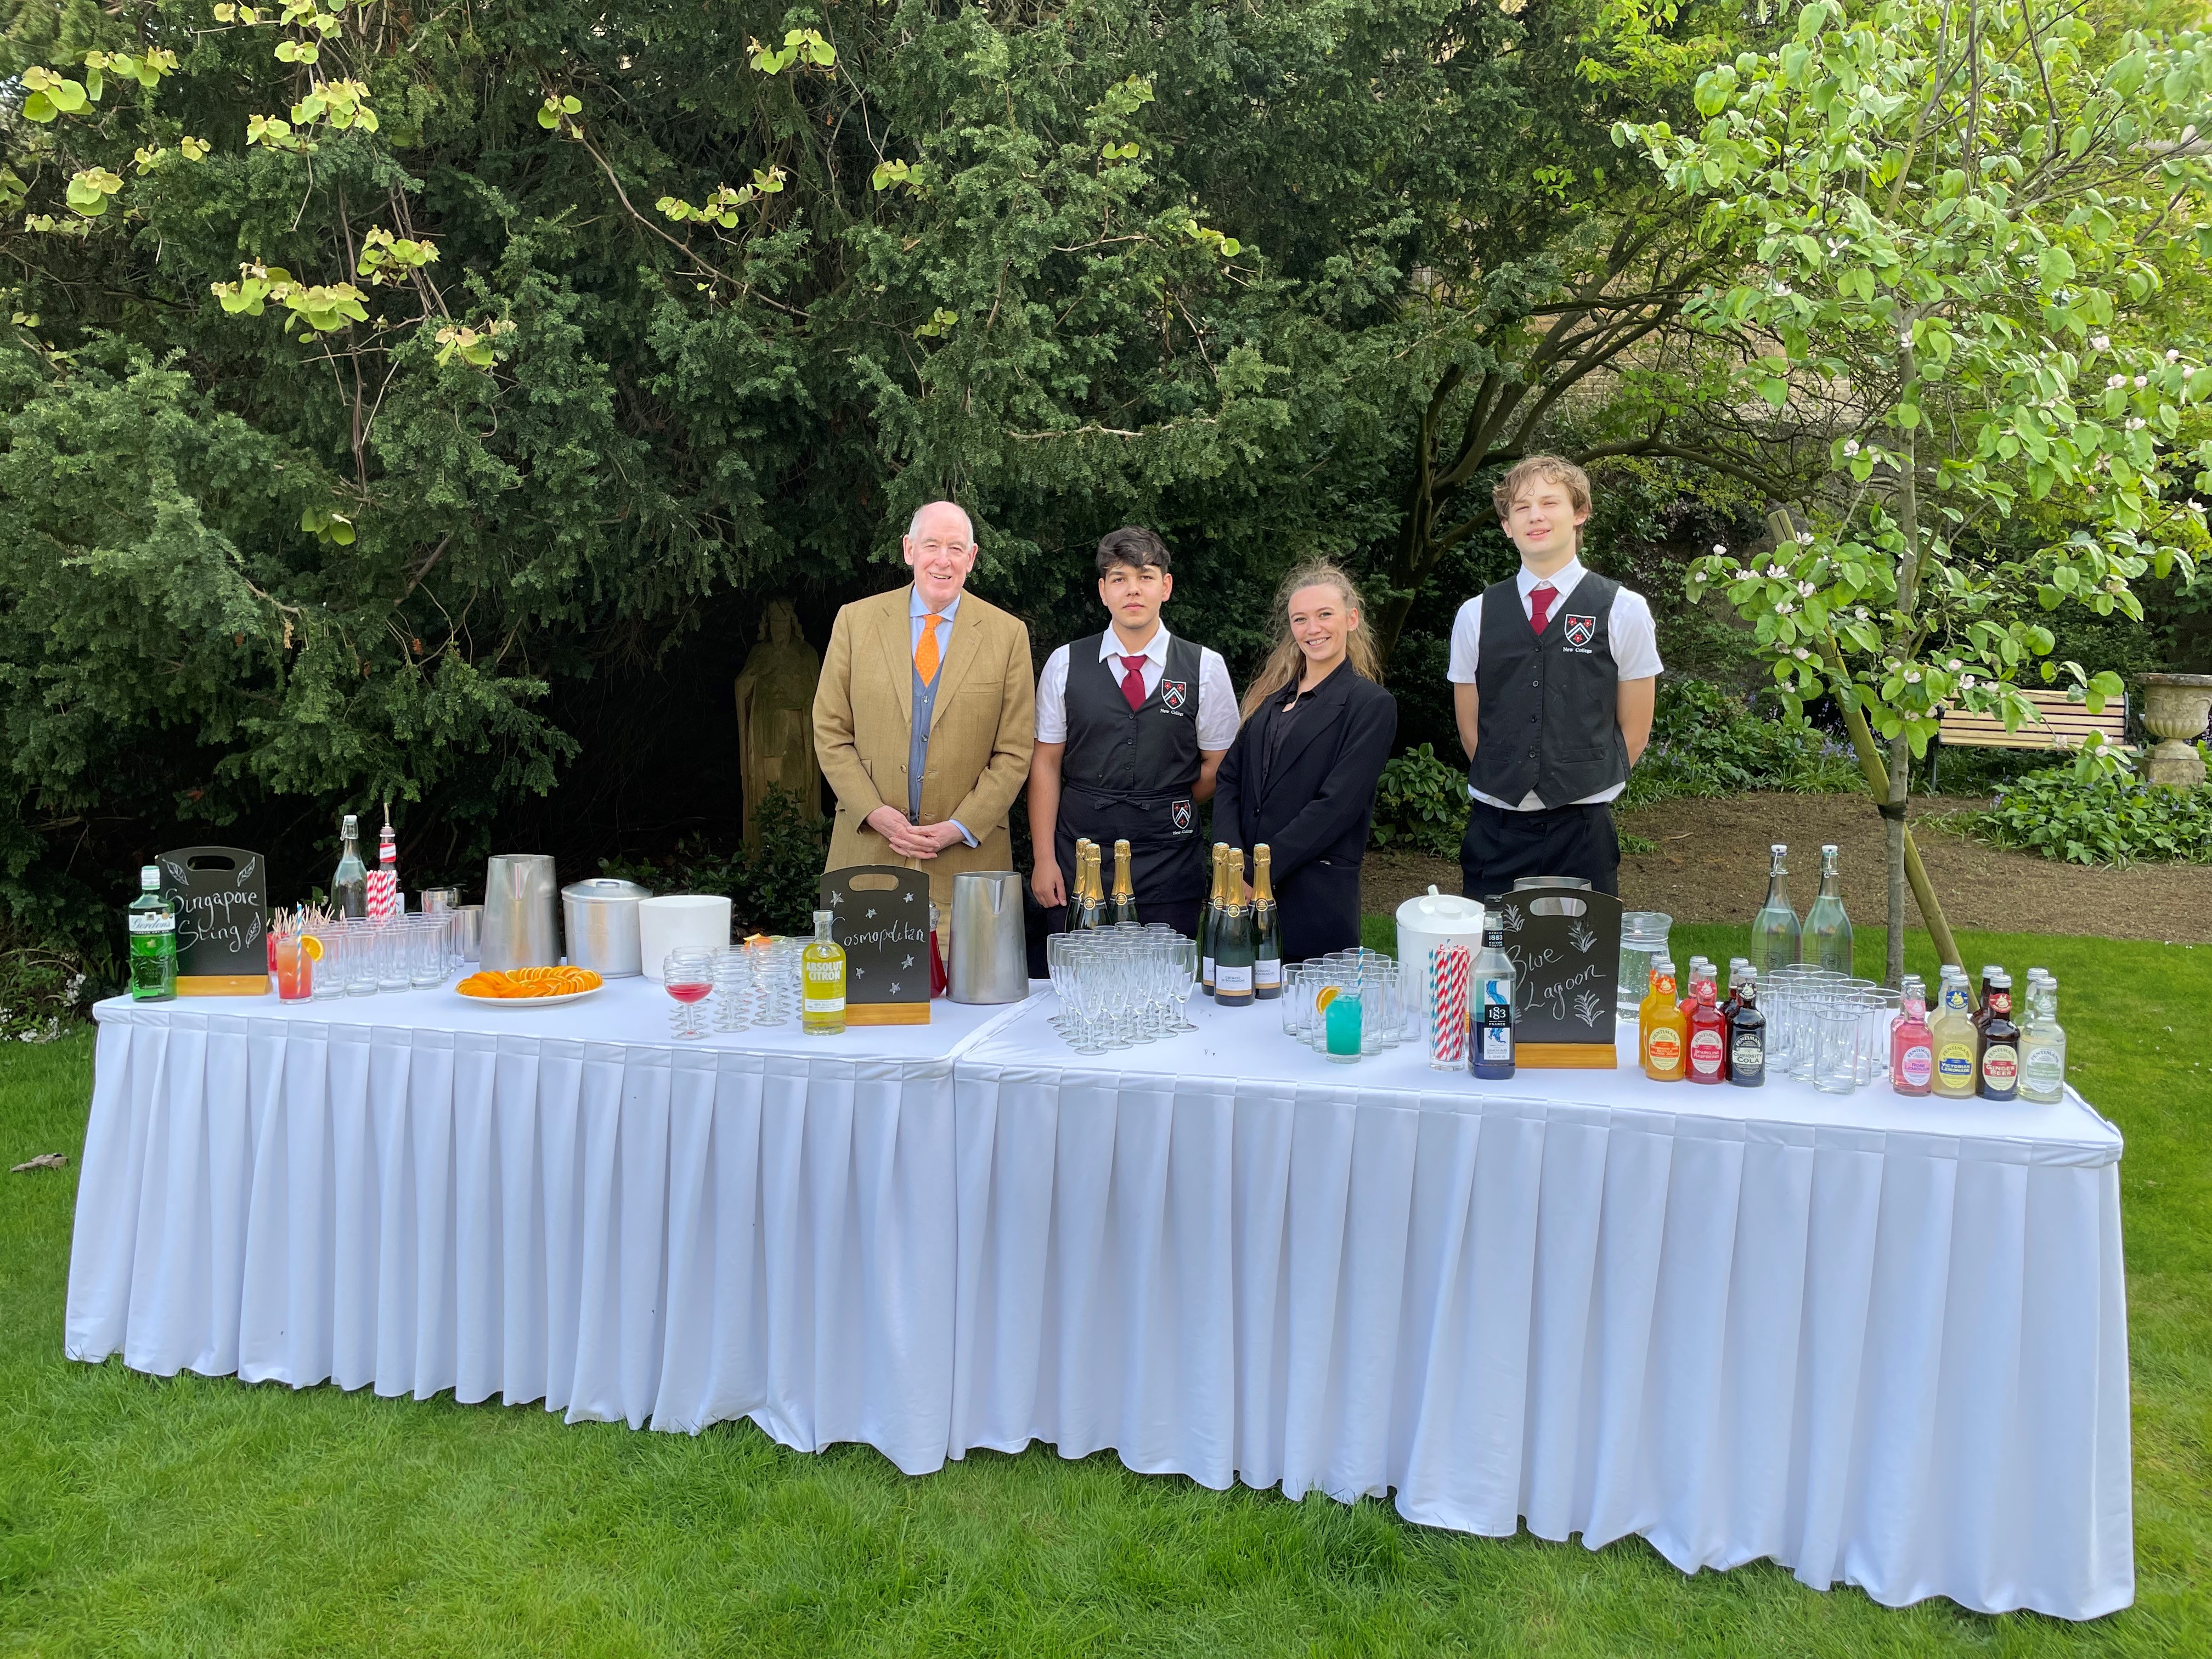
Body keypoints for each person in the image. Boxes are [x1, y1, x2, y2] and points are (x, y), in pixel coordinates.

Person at [812, 500, 1037, 930]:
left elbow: (1014, 751)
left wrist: (960, 826)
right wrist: (874, 811)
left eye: (956, 548)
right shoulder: (855, 623)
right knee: (868, 994)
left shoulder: (1008, 635)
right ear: (908, 549)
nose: (943, 559)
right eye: (931, 545)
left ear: (971, 558)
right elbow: (830, 731)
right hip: (868, 859)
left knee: (965, 994)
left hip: (968, 868)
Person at [1448, 456, 1660, 901]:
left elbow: (1635, 731)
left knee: (1583, 968)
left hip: (1582, 833)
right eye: (1522, 508)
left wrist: (1581, 778)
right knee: (1493, 967)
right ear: (1507, 525)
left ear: (1579, 513)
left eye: (1549, 502)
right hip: (1496, 830)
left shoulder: (1624, 609)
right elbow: (1471, 729)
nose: (1536, 516)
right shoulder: (1475, 614)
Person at [1028, 526, 1240, 938]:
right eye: (1119, 578)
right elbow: (1046, 763)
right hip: (1079, 857)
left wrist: (1164, 799)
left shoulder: (1205, 667)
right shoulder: (1064, 663)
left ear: (1166, 586)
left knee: (1161, 987)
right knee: (1080, 985)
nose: (1133, 590)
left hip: (1169, 859)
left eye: (1145, 577)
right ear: (1103, 591)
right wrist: (1043, 859)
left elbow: (1219, 764)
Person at [1210, 563, 1397, 962]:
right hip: (1242, 898)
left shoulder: (1370, 706)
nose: (1313, 628)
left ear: (1351, 618)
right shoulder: (1269, 703)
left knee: (1309, 1019)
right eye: (1301, 619)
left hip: (1315, 900)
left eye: (1324, 615)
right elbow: (1228, 779)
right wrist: (1233, 865)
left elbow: (1337, 806)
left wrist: (1261, 871)